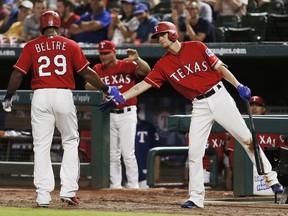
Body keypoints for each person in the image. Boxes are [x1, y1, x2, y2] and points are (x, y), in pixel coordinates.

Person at [100, 21, 284, 208]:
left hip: (219, 95)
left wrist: (238, 85)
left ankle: (271, 179)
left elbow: (220, 67)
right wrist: (120, 96)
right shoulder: (163, 64)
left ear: (172, 34)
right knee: (195, 151)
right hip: (199, 104)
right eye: (158, 36)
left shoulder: (196, 46)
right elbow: (143, 84)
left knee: (246, 139)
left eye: (162, 34)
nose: (160, 39)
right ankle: (196, 197)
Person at [1, 11, 125, 207]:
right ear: (58, 25)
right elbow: (86, 71)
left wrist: (8, 96)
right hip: (63, 94)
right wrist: (106, 88)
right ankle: (68, 191)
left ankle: (43, 195)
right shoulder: (70, 44)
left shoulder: (32, 45)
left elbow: (17, 74)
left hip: (40, 96)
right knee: (70, 141)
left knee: (41, 146)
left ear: (41, 26)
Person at [85, 40, 151, 189]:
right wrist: (102, 87)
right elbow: (87, 85)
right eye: (101, 54)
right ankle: (115, 186)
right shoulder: (97, 68)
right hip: (109, 114)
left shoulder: (126, 65)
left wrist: (137, 59)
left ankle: (133, 186)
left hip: (127, 112)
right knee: (113, 154)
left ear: (114, 52)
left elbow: (147, 71)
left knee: (128, 153)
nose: (103, 56)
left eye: (107, 53)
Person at [225, 96, 286, 190]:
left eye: (257, 105)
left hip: (271, 174)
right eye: (251, 105)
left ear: (263, 109)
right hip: (246, 173)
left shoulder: (273, 127)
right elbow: (232, 157)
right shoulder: (240, 127)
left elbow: (283, 156)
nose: (254, 108)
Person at [135, 106, 160, 188]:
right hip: (125, 178)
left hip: (145, 176)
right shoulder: (121, 128)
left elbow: (157, 152)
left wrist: (156, 174)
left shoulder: (148, 127)